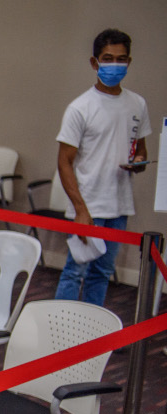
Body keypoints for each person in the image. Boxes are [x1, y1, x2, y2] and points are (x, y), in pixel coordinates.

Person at [54, 29, 150, 307]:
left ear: (129, 62)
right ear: (94, 63)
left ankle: (92, 331)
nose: (114, 65)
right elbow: (64, 162)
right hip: (89, 205)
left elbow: (141, 149)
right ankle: (60, 331)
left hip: (120, 205)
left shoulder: (137, 104)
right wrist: (81, 209)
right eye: (107, 59)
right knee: (75, 272)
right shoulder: (80, 107)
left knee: (102, 273)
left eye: (121, 59)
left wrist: (139, 163)